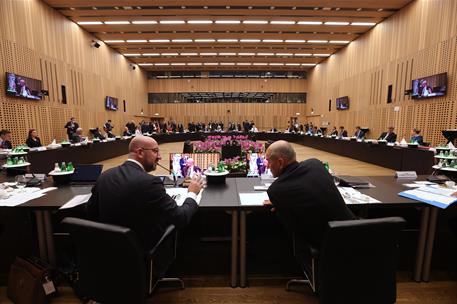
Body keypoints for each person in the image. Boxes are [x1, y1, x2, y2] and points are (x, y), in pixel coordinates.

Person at [86, 136, 203, 256]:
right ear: (140, 152)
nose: (159, 156)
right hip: (141, 253)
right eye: (155, 151)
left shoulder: (105, 176)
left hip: (107, 251)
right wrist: (192, 192)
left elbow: (90, 213)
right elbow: (181, 218)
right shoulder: (150, 183)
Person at [264, 140, 355, 247]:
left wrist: (280, 205)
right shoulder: (316, 164)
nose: (268, 166)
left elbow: (293, 227)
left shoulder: (276, 190)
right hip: (356, 232)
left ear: (280, 162)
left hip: (328, 247)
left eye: (269, 162)